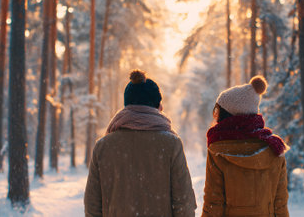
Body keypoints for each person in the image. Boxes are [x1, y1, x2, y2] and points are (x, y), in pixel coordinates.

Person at [84, 69, 196, 217]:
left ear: (126, 105)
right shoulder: (171, 144)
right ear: (158, 107)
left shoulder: (103, 146)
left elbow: (92, 206)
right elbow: (184, 204)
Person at [201, 76, 290, 217]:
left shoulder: (217, 150)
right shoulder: (274, 149)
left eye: (218, 111)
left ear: (228, 115)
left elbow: (213, 204)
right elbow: (280, 205)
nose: (216, 116)